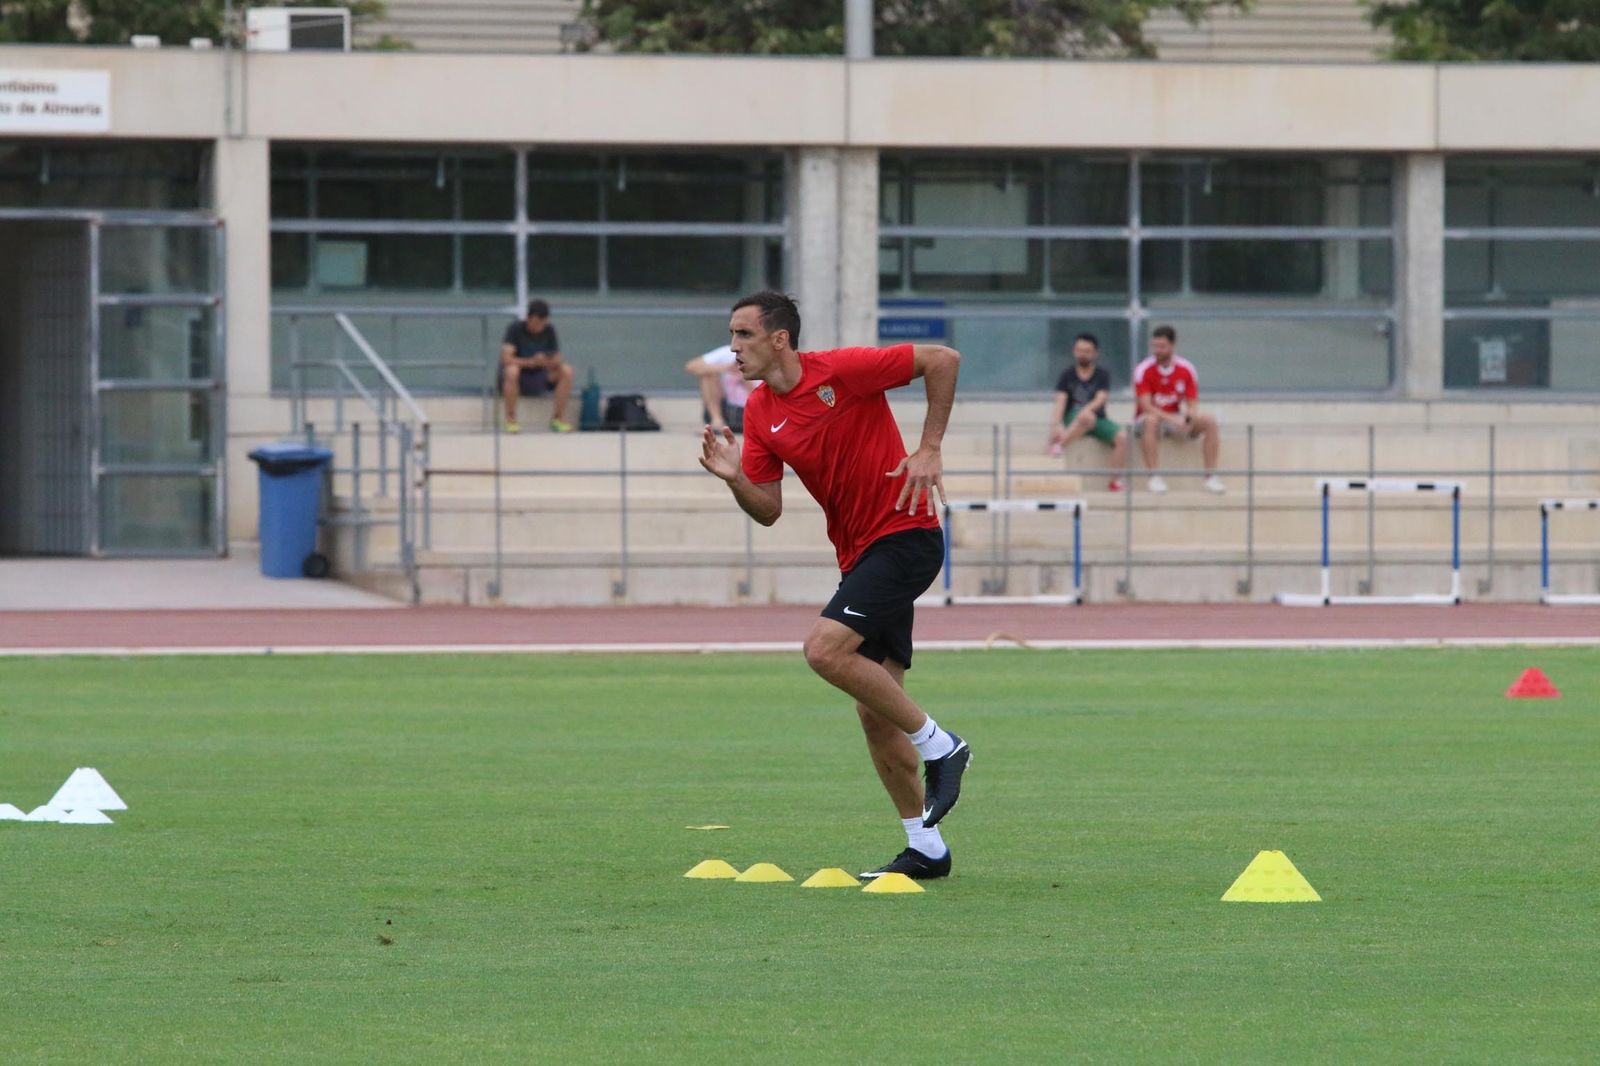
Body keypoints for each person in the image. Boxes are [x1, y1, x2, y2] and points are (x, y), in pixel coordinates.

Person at [697, 290, 971, 882]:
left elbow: (943, 359)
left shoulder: (842, 370)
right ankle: (925, 846)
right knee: (874, 712)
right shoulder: (758, 412)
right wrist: (733, 478)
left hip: (905, 536)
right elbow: (767, 510)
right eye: (731, 335)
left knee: (823, 649)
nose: (734, 348)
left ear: (779, 339)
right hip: (859, 557)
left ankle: (941, 746)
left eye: (743, 335)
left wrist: (929, 448)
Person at [1132, 325, 1224, 494]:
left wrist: (1189, 417)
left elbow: (1192, 402)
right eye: (1154, 346)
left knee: (1210, 421)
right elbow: (1146, 406)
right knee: (1151, 421)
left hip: (1173, 418)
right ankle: (1154, 477)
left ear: (1173, 346)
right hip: (1148, 419)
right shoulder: (1143, 369)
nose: (1157, 351)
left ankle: (1210, 477)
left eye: (1162, 347)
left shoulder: (1186, 368)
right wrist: (1173, 419)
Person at [1047, 332, 1129, 492]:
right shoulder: (1067, 375)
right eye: (1079, 350)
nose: (1082, 355)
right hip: (1073, 419)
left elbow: (1100, 399)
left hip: (1097, 419)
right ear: (1074, 351)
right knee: (1087, 417)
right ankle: (1060, 445)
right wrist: (1055, 425)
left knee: (1123, 438)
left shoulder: (1102, 375)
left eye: (1087, 351)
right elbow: (1060, 402)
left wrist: (1085, 411)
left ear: (1095, 353)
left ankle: (1114, 482)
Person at [500, 299, 576, 434]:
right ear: (528, 318)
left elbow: (557, 358)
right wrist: (530, 362)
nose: (538, 327)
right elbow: (506, 359)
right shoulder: (515, 329)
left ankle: (557, 419)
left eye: (542, 323)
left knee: (567, 370)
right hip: (520, 376)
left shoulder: (549, 330)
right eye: (535, 323)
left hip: (541, 374)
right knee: (511, 371)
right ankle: (511, 419)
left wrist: (545, 361)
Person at [683, 343, 749, 434]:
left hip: (750, 409)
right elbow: (691, 366)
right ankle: (717, 420)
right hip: (726, 408)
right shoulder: (729, 353)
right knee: (707, 374)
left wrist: (745, 377)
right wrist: (727, 368)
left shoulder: (764, 356)